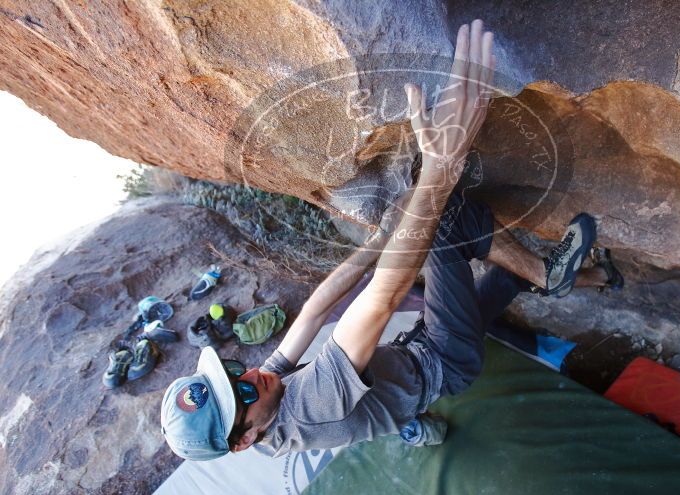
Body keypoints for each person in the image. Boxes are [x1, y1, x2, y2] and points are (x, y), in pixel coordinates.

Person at [160, 19, 623, 460]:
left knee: (500, 280)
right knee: (440, 224)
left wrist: (381, 237)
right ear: (245, 439)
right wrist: (440, 170)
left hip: (417, 358)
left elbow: (317, 309)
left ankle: (600, 277)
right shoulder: (308, 410)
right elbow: (381, 301)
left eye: (233, 370)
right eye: (240, 391)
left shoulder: (264, 393)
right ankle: (547, 273)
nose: (249, 376)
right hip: (443, 358)